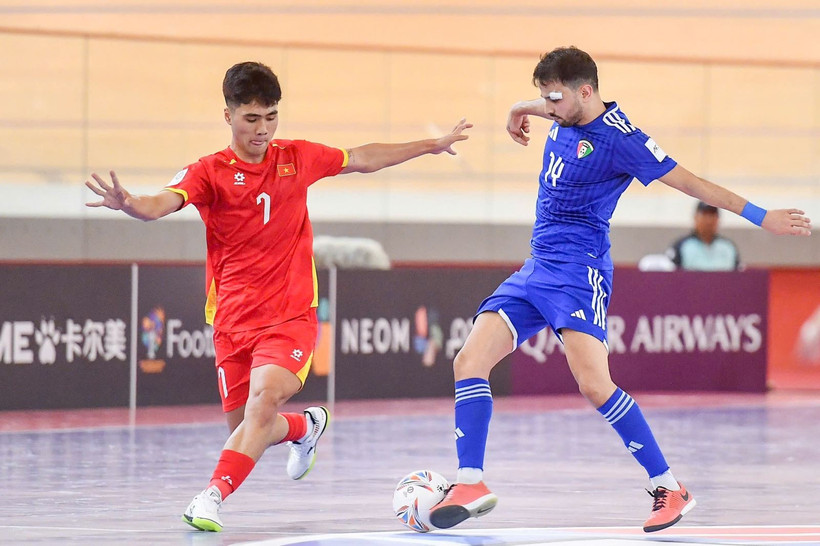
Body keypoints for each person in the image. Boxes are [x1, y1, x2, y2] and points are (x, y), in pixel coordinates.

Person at [428, 46, 811, 533]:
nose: (549, 108)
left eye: (556, 99)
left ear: (586, 93)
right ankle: (471, 481)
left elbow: (693, 184)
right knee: (468, 360)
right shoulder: (563, 109)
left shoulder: (622, 140)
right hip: (537, 266)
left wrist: (763, 218)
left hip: (578, 271)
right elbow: (541, 105)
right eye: (544, 99)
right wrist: (514, 111)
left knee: (594, 385)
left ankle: (670, 486)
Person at [84, 61, 472, 533]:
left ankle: (210, 498)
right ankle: (306, 427)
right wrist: (129, 204)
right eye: (251, 119)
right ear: (227, 115)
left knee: (263, 402)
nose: (262, 129)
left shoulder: (297, 157)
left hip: (290, 315)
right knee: (247, 430)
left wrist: (431, 144)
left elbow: (362, 157)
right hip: (230, 321)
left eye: (270, 117)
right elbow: (159, 204)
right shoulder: (208, 172)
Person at [666, 201, 741, 270]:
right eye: (704, 214)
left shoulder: (728, 247)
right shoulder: (681, 246)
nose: (709, 220)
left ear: (718, 219)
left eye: (712, 215)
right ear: (695, 217)